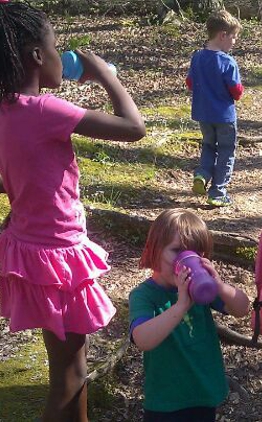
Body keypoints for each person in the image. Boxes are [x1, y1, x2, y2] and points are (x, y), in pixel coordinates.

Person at [0, 2, 146, 421]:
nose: (60, 54)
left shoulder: (7, 110)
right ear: (35, 57)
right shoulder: (47, 111)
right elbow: (133, 128)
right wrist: (103, 75)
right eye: (55, 46)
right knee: (70, 372)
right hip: (58, 256)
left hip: (28, 250)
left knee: (65, 364)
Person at [129, 209, 250, 422]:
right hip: (166, 400)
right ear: (155, 250)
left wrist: (220, 286)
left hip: (202, 393)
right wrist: (180, 306)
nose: (184, 261)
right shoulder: (144, 295)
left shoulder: (199, 289)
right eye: (176, 251)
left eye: (195, 254)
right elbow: (142, 339)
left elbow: (242, 309)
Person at [186, 9, 244, 207]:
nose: (234, 42)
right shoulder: (228, 62)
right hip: (224, 116)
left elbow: (190, 83)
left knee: (209, 146)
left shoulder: (197, 57)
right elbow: (236, 91)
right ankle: (218, 193)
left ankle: (202, 174)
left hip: (203, 114)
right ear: (223, 35)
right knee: (226, 151)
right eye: (233, 37)